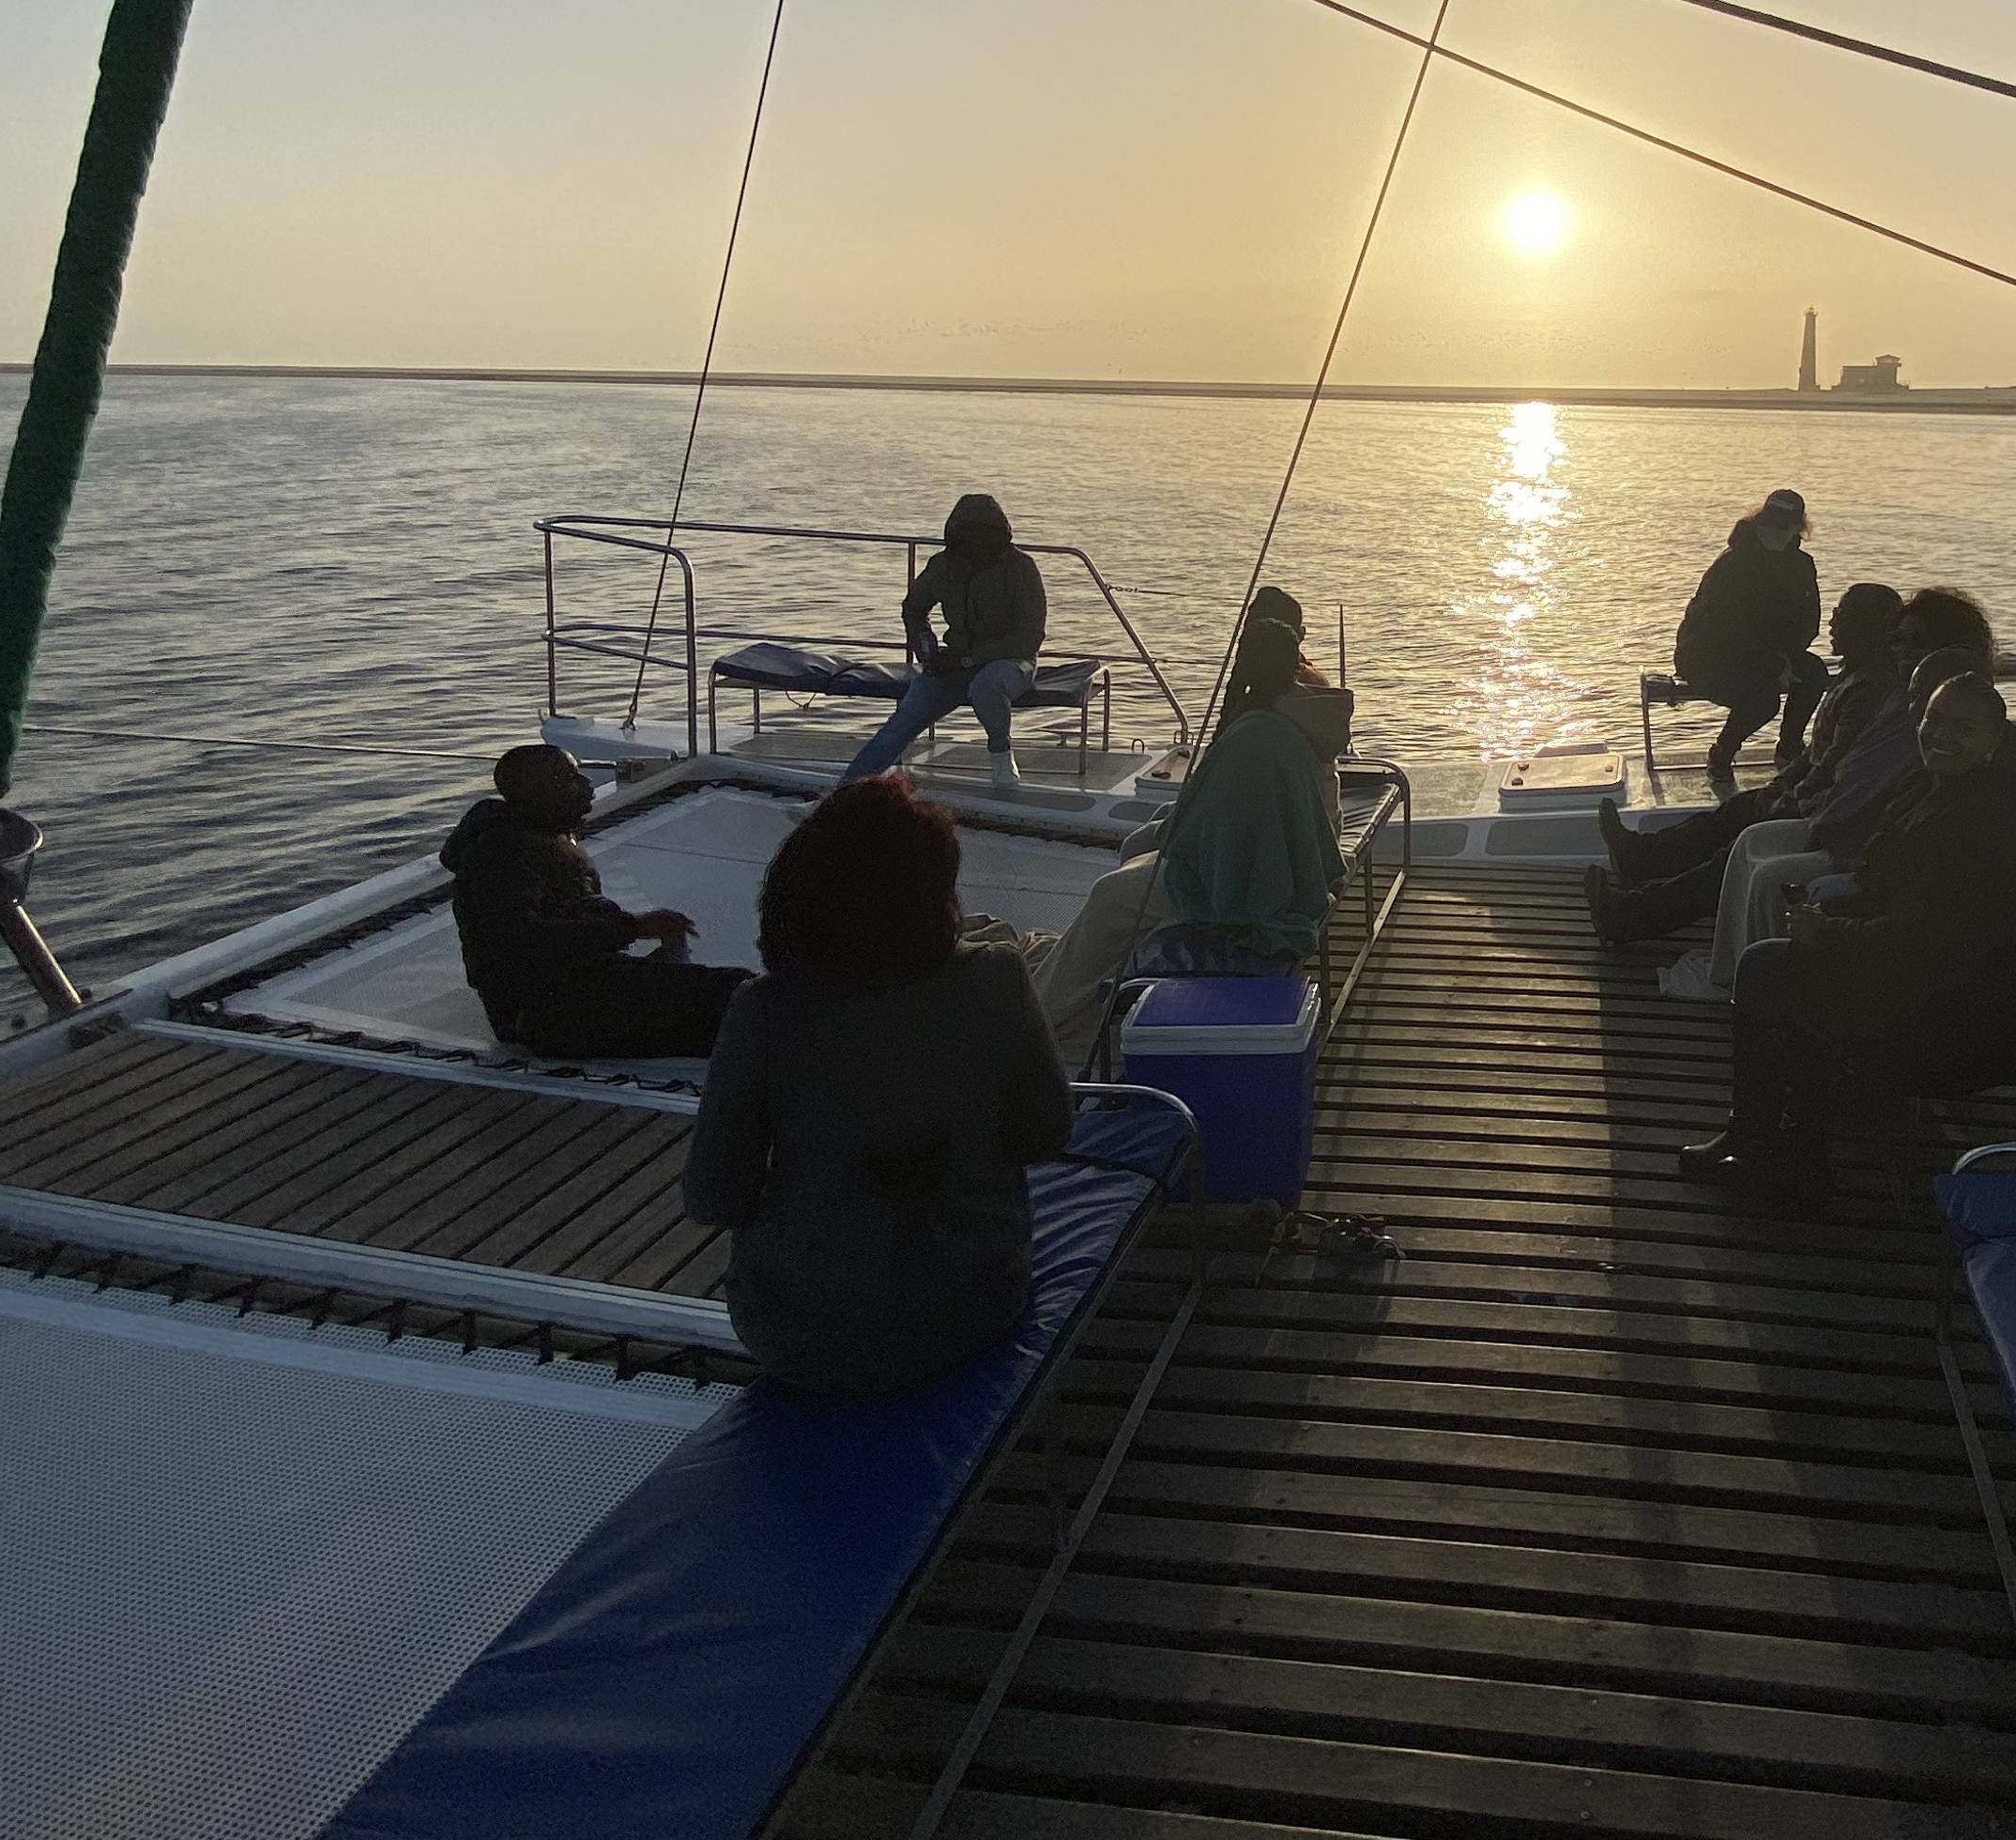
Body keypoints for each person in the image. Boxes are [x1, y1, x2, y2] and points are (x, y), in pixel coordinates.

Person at [680, 775, 1075, 1397]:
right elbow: (1046, 1135)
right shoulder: (999, 978)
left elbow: (713, 1198)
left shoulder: (764, 1013)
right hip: (977, 1306)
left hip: (809, 1333)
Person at [1681, 671, 2016, 1208]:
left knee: (1773, 975)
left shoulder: (1985, 823)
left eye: (1962, 728)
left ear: (1996, 741)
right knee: (1779, 969)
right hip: (1931, 986)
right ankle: (1775, 1144)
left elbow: (1932, 939)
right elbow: (1882, 882)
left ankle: (1780, 1151)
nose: (1940, 735)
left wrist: (1827, 932)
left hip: (1972, 1022)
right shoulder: (1933, 785)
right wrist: (1828, 919)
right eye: (1933, 720)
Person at [1600, 587, 1998, 1002]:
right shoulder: (1893, 693)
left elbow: (1853, 780)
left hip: (1856, 837)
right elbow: (1829, 762)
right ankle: (1726, 964)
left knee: (1762, 861)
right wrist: (1789, 791)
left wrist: (1798, 802)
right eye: (1898, 639)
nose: (1831, 624)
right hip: (1834, 816)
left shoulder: (1910, 707)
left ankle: (1661, 920)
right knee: (1746, 838)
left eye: (1917, 643)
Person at [1029, 594, 1353, 1069]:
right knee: (1132, 864)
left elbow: (1235, 831)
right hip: (1281, 842)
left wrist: (1178, 841)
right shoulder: (1290, 709)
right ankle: (1083, 982)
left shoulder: (1260, 730)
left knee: (1111, 894)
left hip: (1248, 873)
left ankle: (1038, 1016)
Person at [1587, 582, 1905, 938]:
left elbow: (1833, 763)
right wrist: (1782, 784)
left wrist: (1789, 796)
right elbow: (1819, 753)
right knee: (1734, 813)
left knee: (1732, 853)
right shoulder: (1856, 675)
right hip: (1812, 794)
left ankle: (1631, 913)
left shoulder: (1870, 689)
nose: (1831, 622)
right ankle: (1641, 857)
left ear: (1864, 629)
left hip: (1826, 806)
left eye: (1841, 616)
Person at [439, 744, 744, 1058]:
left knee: (741, 998)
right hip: (546, 1014)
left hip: (583, 985)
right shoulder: (499, 857)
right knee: (739, 1001)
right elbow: (524, 939)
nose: (586, 786)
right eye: (570, 778)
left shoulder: (541, 838)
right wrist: (632, 928)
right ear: (533, 790)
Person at [848, 492, 1048, 785]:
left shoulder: (1021, 568)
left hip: (1012, 662)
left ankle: (1002, 756)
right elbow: (914, 608)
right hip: (954, 663)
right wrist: (927, 652)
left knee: (986, 686)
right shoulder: (943, 566)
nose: (976, 544)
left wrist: (969, 658)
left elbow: (1030, 637)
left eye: (985, 535)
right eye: (968, 535)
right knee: (903, 719)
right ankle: (843, 793)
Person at [1671, 488, 1826, 785]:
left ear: (1797, 528)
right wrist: (1773, 666)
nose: (1773, 533)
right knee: (1763, 698)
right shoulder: (1731, 565)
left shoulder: (1802, 566)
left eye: (1782, 527)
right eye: (1767, 524)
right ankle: (1722, 753)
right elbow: (1723, 629)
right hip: (1708, 654)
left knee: (1814, 674)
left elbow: (1809, 622)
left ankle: (1789, 747)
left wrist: (1787, 658)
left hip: (1771, 652)